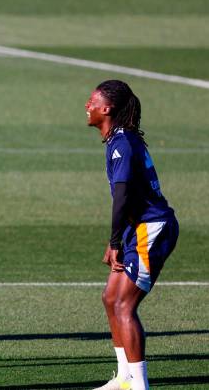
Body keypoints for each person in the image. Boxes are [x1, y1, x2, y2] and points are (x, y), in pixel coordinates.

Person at [86, 80, 178, 390]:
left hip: (150, 229)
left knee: (125, 305)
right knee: (110, 298)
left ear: (106, 109)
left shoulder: (122, 144)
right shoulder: (118, 139)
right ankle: (124, 378)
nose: (87, 106)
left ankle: (140, 385)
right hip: (135, 228)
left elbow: (122, 198)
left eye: (92, 101)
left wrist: (114, 242)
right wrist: (116, 239)